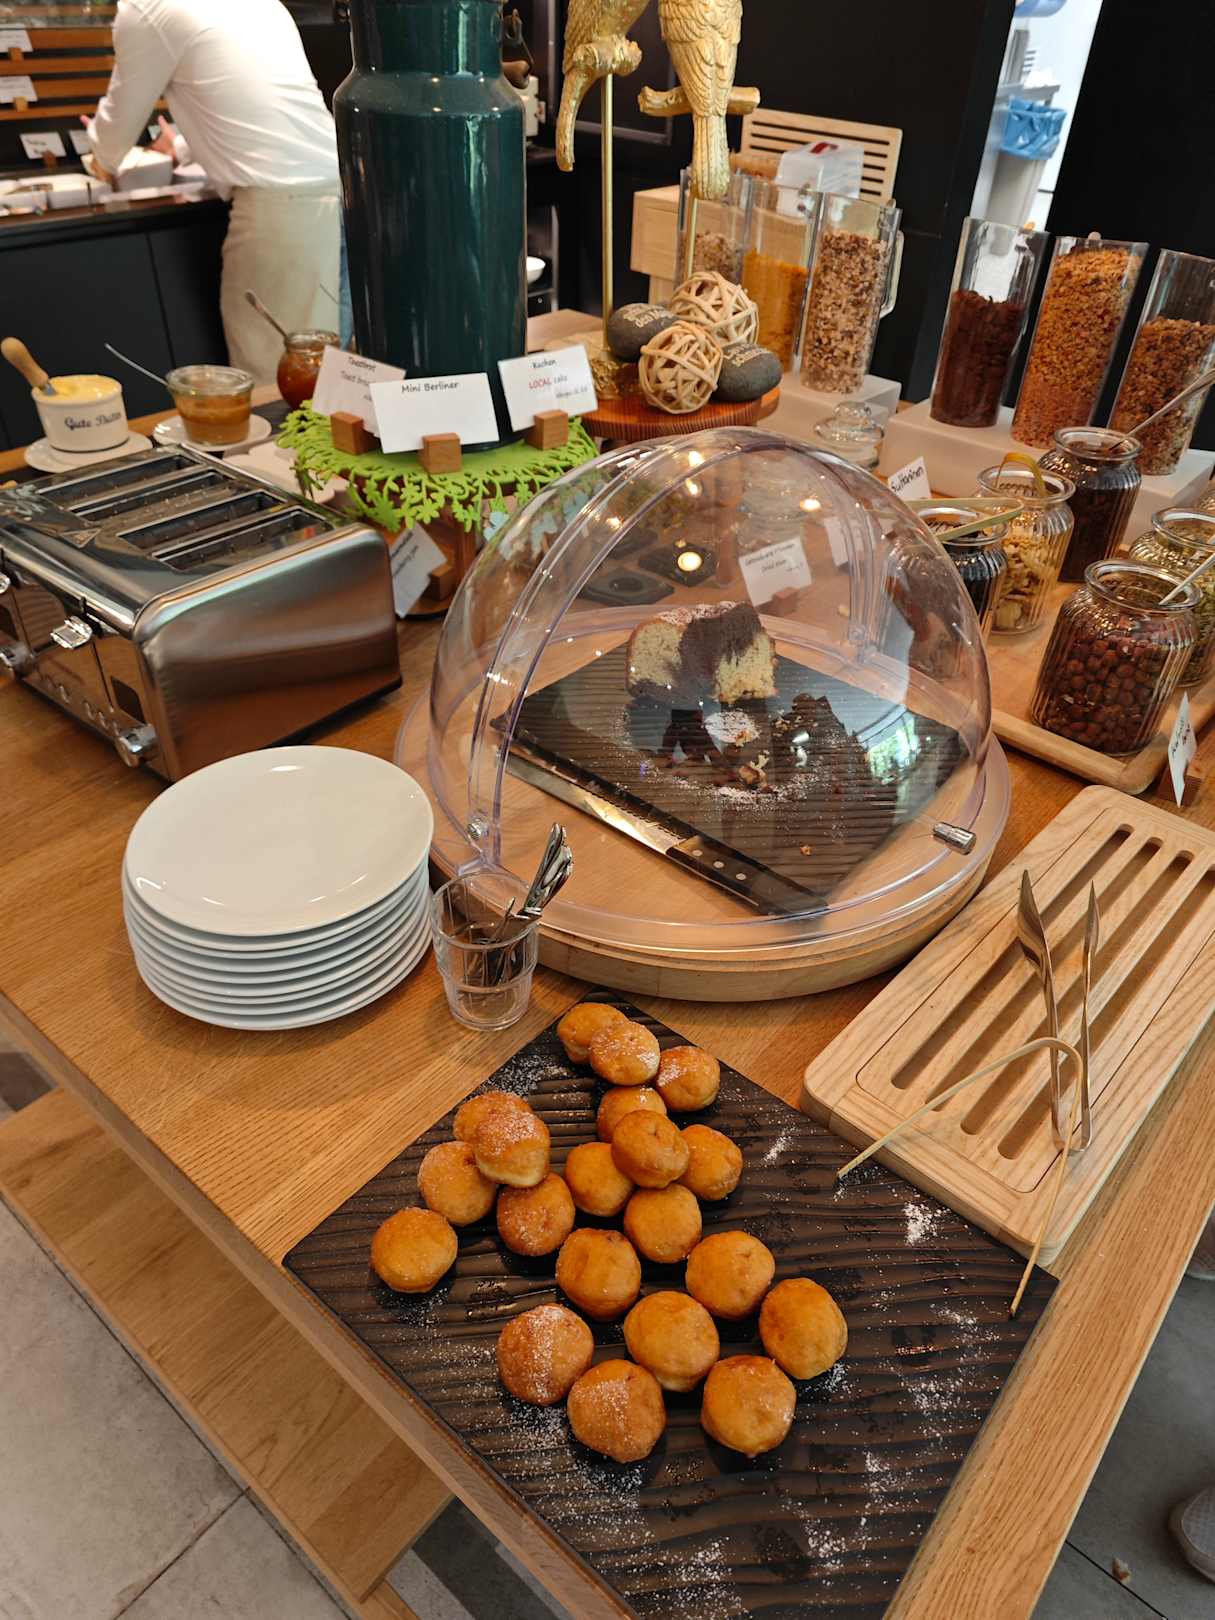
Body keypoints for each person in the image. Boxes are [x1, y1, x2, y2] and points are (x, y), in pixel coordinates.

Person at [87, 0, 342, 380]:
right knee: (336, 372)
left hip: (282, 209)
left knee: (275, 376)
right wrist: (181, 147)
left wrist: (98, 160)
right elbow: (257, 104)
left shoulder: (146, 8)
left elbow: (117, 128)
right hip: (340, 189)